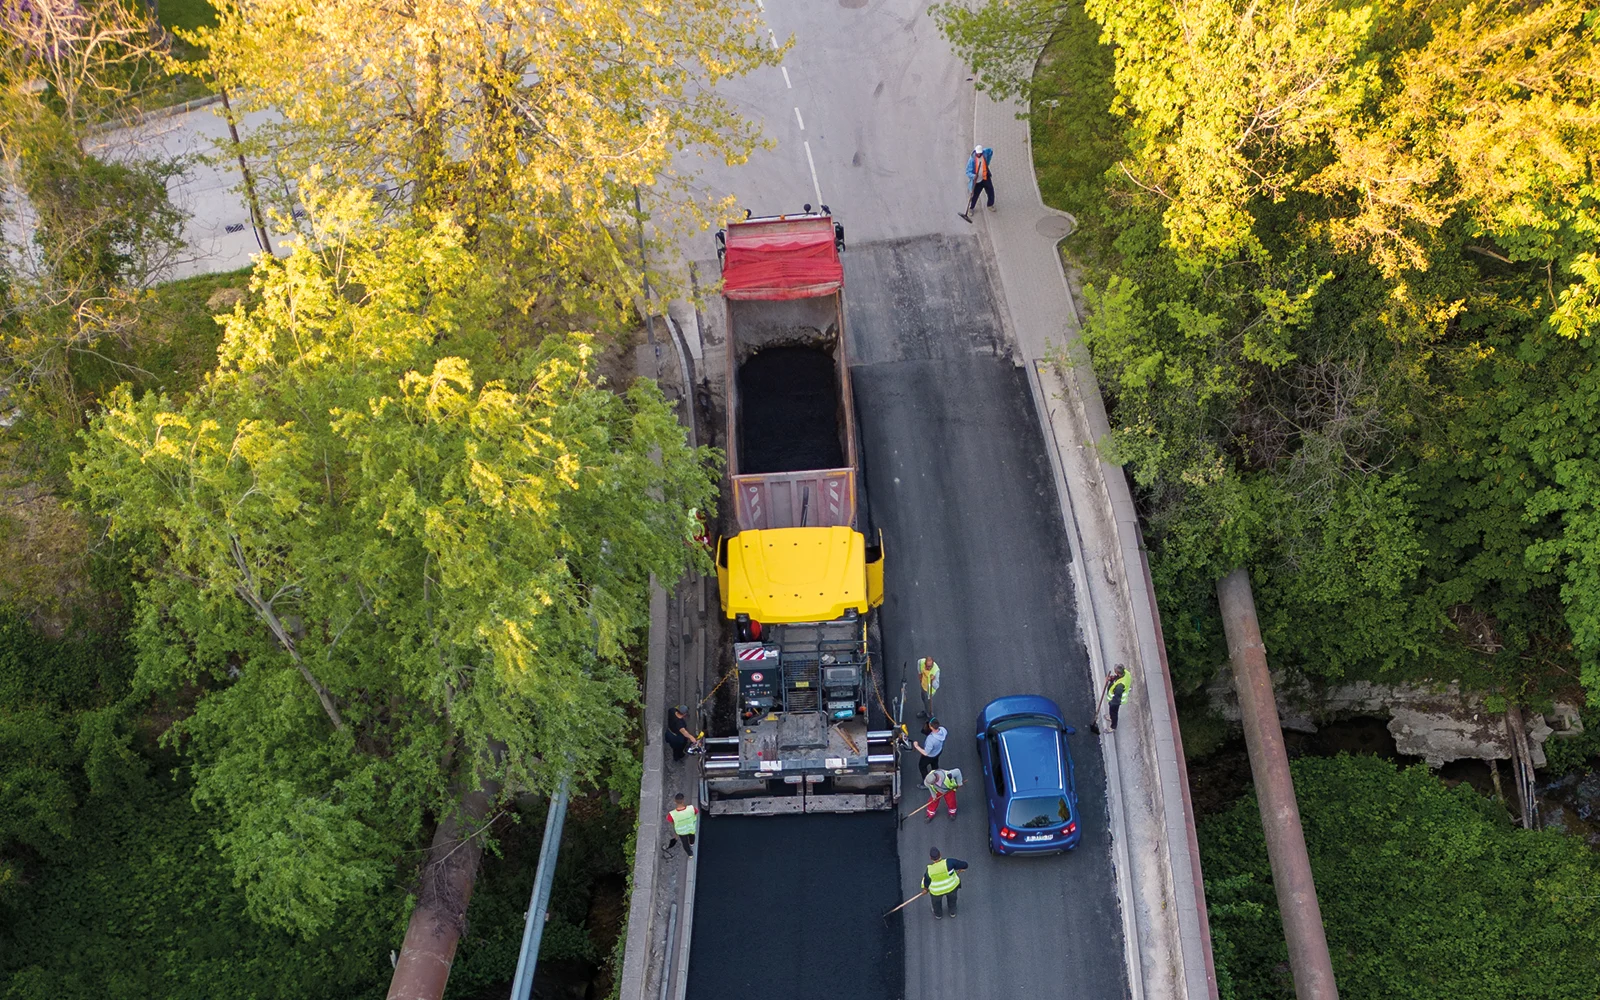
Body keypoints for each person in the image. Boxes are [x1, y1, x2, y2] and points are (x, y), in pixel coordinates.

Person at [923, 847, 968, 918]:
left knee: (936, 903)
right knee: (952, 900)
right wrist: (960, 869)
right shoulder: (949, 862)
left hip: (937, 892)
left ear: (931, 858)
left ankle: (938, 915)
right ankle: (952, 912)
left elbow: (926, 882)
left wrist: (925, 889)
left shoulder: (929, 870)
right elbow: (965, 865)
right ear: (940, 854)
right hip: (952, 887)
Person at [960, 144, 995, 223]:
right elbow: (968, 172)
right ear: (975, 152)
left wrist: (988, 161)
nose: (979, 154)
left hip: (985, 177)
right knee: (975, 195)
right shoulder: (972, 160)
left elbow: (990, 151)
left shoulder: (985, 153)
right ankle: (971, 208)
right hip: (977, 181)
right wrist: (973, 176)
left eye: (980, 153)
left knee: (990, 191)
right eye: (978, 153)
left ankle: (990, 204)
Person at [665, 792, 699, 857]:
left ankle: (690, 854)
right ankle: (692, 843)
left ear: (675, 801)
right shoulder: (691, 808)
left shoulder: (672, 814)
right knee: (692, 836)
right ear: (683, 800)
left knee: (685, 843)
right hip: (690, 828)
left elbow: (671, 822)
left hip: (681, 831)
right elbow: (696, 812)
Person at [1105, 665, 1131, 732]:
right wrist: (1111, 679)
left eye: (1116, 672)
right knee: (1113, 713)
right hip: (1116, 699)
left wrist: (1111, 703)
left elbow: (1116, 699)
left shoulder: (1119, 687)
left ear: (1119, 673)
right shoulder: (1125, 673)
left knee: (1114, 713)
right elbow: (1117, 679)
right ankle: (1111, 717)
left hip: (1115, 702)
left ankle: (1113, 727)